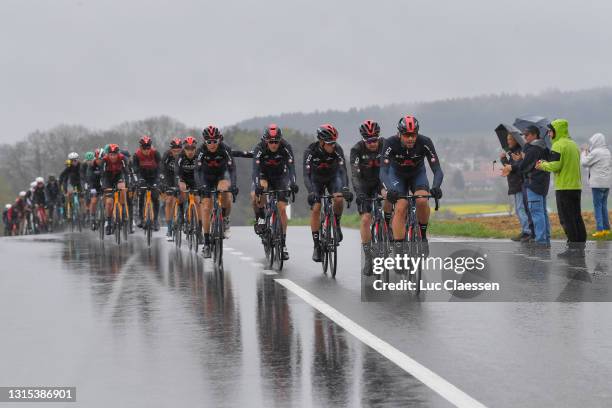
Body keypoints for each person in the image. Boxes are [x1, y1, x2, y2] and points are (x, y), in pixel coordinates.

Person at [380, 115, 443, 254]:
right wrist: (390, 189)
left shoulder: (425, 142)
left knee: (421, 200)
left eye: (413, 135)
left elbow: (437, 169)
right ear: (400, 134)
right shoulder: (390, 143)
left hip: (417, 175)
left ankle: (423, 236)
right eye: (407, 135)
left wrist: (436, 186)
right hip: (397, 176)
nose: (410, 138)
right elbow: (383, 172)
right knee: (401, 206)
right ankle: (399, 249)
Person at [536, 119, 586, 257]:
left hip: (564, 188)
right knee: (576, 217)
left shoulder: (558, 145)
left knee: (566, 218)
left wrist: (542, 165)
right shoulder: (573, 144)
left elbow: (555, 166)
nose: (549, 134)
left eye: (551, 131)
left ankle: (573, 249)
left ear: (557, 130)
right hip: (576, 186)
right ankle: (580, 246)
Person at [303, 123, 353, 262]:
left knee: (338, 198)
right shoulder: (311, 151)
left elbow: (343, 171)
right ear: (321, 142)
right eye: (329, 143)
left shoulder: (338, 150)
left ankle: (336, 223)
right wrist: (311, 191)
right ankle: (316, 246)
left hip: (333, 178)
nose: (333, 145)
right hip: (316, 180)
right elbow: (306, 174)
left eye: (334, 142)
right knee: (316, 208)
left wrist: (345, 189)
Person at [251, 124, 298, 260]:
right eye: (271, 141)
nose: (273, 144)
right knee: (257, 194)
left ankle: (283, 244)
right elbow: (255, 170)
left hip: (280, 177)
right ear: (266, 140)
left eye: (276, 141)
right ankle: (260, 218)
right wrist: (257, 185)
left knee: (282, 209)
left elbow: (291, 168)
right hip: (264, 176)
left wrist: (293, 183)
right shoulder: (260, 148)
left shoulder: (285, 147)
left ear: (280, 140)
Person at [350, 120, 390, 275]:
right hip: (364, 185)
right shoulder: (356, 149)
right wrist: (359, 193)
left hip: (380, 182)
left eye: (375, 140)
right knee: (366, 219)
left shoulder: (385, 144)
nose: (373, 143)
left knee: (389, 197)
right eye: (369, 141)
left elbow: (392, 168)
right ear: (363, 139)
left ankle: (389, 226)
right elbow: (354, 175)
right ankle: (368, 257)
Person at [195, 126, 238, 257]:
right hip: (206, 178)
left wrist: (234, 185)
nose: (212, 144)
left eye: (215, 141)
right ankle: (207, 242)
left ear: (219, 140)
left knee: (226, 193)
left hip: (221, 176)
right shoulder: (201, 151)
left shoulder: (225, 149)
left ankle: (225, 219)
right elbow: (197, 171)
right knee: (206, 207)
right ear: (205, 141)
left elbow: (232, 169)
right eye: (209, 141)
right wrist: (200, 186)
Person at [518, 126, 551, 247]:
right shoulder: (544, 148)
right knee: (542, 212)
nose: (524, 137)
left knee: (536, 212)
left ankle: (541, 241)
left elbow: (523, 167)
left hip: (533, 184)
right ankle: (545, 238)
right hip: (542, 184)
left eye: (526, 135)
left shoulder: (533, 149)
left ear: (534, 135)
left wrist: (522, 158)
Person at [500, 133, 533, 242]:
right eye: (507, 139)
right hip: (516, 184)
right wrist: (504, 159)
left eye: (510, 139)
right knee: (519, 209)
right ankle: (526, 230)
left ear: (515, 141)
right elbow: (509, 167)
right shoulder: (513, 152)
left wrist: (507, 163)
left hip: (519, 184)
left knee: (520, 208)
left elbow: (517, 168)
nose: (508, 141)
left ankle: (527, 231)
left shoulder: (518, 152)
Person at [581, 133, 612, 237]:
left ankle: (599, 230)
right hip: (606, 183)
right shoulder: (607, 152)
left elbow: (584, 163)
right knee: (603, 206)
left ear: (596, 141)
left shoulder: (596, 152)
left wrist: (583, 152)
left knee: (597, 207)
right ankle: (607, 228)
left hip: (597, 184)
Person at [133, 136, 162, 231]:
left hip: (154, 177)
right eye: (144, 148)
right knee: (141, 195)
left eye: (148, 147)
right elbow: (135, 170)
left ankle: (156, 220)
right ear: (140, 147)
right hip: (142, 177)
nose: (146, 150)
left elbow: (160, 168)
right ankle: (141, 218)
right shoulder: (136, 155)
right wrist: (139, 180)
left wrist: (158, 180)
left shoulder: (155, 153)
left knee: (155, 196)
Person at [100, 144, 129, 235]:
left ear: (118, 154)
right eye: (111, 154)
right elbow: (103, 174)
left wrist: (128, 183)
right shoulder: (104, 160)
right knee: (109, 202)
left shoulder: (122, 158)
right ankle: (108, 223)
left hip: (118, 176)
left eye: (115, 154)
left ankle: (123, 208)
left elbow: (126, 172)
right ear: (108, 154)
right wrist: (104, 187)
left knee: (122, 188)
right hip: (107, 178)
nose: (113, 156)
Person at [160, 138, 183, 240]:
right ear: (171, 150)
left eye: (179, 150)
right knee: (169, 201)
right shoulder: (167, 155)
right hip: (169, 177)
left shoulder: (185, 155)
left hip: (181, 177)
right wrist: (163, 182)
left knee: (184, 196)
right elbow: (161, 169)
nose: (177, 153)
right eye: (174, 151)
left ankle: (184, 216)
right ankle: (169, 228)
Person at [85, 150, 103, 229]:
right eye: (98, 159)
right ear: (95, 158)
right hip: (94, 185)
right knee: (94, 200)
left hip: (104, 184)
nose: (100, 161)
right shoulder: (91, 165)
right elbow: (89, 177)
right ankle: (92, 218)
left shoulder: (105, 164)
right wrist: (92, 188)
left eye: (101, 159)